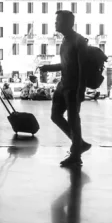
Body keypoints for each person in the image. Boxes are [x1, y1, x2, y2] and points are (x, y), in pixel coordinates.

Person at [38, 10, 92, 168]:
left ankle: (76, 154)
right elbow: (66, 64)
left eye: (59, 20)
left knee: (74, 120)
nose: (56, 23)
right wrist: (48, 67)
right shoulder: (65, 40)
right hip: (63, 84)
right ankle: (79, 143)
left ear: (68, 23)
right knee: (56, 115)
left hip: (73, 87)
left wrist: (81, 90)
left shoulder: (78, 41)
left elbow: (82, 68)